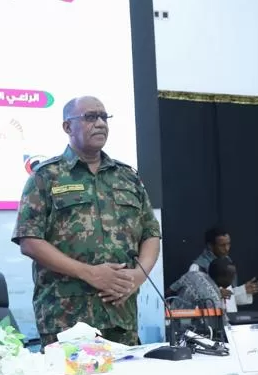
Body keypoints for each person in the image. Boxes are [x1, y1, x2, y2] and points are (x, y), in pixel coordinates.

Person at [12, 95, 161, 346]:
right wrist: (91, 274)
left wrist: (138, 276)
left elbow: (151, 234)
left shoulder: (127, 177)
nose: (100, 123)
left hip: (120, 315)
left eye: (104, 117)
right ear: (67, 127)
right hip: (66, 318)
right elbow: (29, 241)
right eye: (91, 117)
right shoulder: (46, 176)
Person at [169, 226, 258, 306]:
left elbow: (228, 297)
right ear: (210, 246)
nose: (227, 248)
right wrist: (219, 293)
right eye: (222, 245)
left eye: (228, 244)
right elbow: (195, 298)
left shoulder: (228, 263)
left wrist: (244, 290)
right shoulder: (197, 268)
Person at [170, 256, 236, 337]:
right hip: (185, 333)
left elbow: (170, 290)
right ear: (222, 277)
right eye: (232, 276)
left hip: (170, 322)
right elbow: (225, 329)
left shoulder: (193, 274)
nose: (233, 279)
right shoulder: (214, 299)